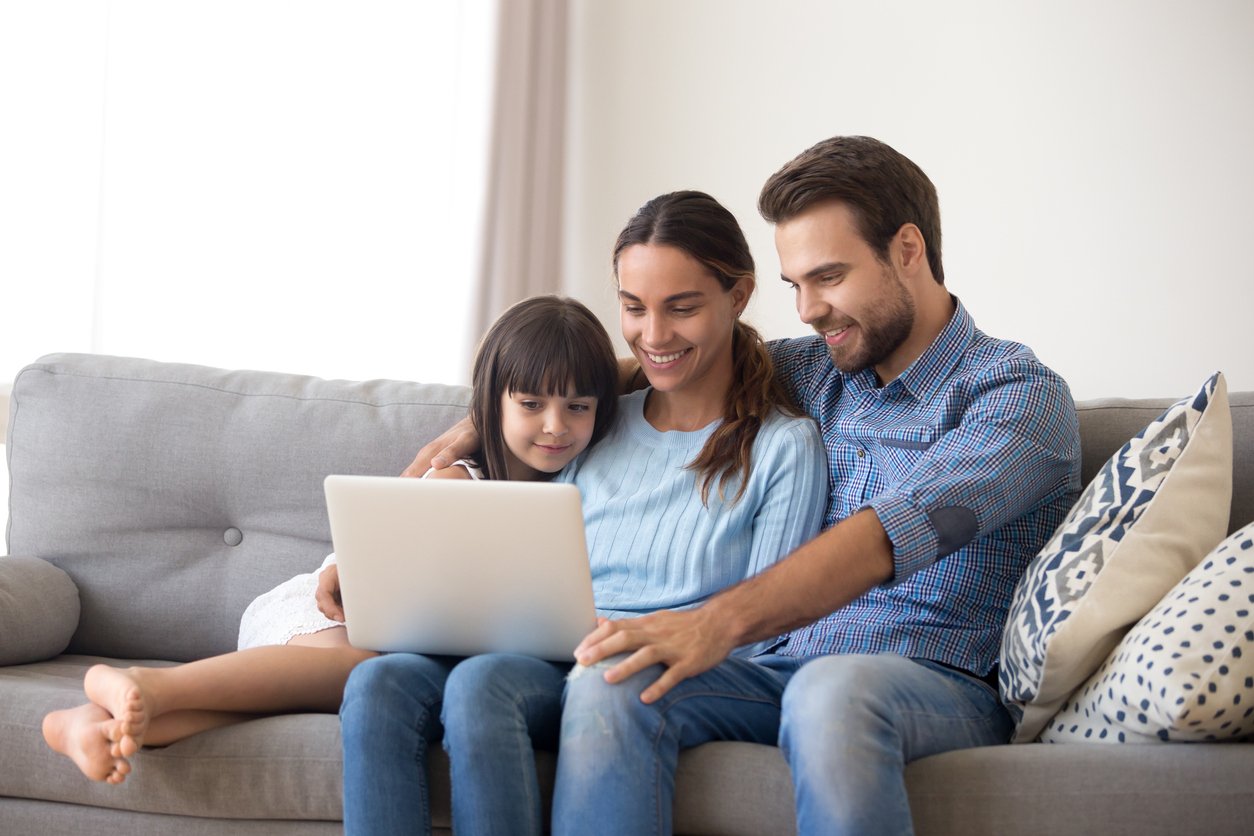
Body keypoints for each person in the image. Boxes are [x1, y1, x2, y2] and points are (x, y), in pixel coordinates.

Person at [416, 137, 1083, 835]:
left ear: (908, 250)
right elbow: (668, 356)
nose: (808, 310)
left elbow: (890, 534)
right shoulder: (827, 367)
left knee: (832, 691)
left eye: (827, 277)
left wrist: (713, 623)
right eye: (794, 284)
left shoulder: (1015, 398)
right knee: (615, 678)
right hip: (775, 672)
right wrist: (482, 424)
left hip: (933, 682)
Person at [334, 190, 828, 835]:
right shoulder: (594, 420)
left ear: (737, 297)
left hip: (651, 667)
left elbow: (767, 628)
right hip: (544, 649)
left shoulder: (782, 446)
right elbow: (511, 523)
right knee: (378, 686)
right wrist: (355, 558)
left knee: (484, 687)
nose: (653, 336)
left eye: (681, 308)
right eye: (632, 308)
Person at [40, 294, 620, 787]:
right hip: (326, 613)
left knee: (261, 706)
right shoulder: (454, 477)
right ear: (492, 402)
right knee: (362, 668)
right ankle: (148, 682)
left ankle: (96, 724)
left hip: (377, 645)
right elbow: (381, 568)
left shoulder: (576, 488)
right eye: (531, 405)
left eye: (577, 407)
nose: (555, 425)